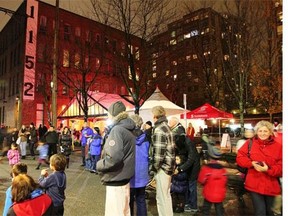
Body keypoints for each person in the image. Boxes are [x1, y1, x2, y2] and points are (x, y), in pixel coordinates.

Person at [96, 101, 135, 216]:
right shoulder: (128, 128)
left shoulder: (117, 130)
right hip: (124, 178)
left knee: (115, 212)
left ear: (113, 114)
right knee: (124, 211)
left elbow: (114, 158)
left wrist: (99, 164)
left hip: (117, 178)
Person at [236, 120, 282, 216]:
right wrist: (251, 163)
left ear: (270, 132)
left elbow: (282, 166)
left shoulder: (279, 146)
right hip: (254, 183)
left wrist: (268, 170)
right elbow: (240, 157)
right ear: (256, 132)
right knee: (260, 212)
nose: (262, 133)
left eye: (265, 131)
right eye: (260, 131)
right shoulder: (250, 143)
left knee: (270, 212)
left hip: (271, 184)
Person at [168, 117, 200, 213]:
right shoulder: (180, 142)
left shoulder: (188, 142)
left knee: (191, 186)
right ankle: (187, 203)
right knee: (187, 186)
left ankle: (193, 206)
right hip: (187, 166)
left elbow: (191, 159)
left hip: (193, 167)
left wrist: (181, 169)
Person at [150, 106, 175, 216]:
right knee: (166, 196)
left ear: (155, 116)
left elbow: (159, 155)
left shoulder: (159, 129)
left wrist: (154, 168)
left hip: (163, 168)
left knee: (161, 198)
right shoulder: (167, 127)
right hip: (169, 167)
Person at [129, 114, 150, 216]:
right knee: (141, 199)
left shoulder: (128, 137)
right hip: (142, 172)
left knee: (129, 200)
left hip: (130, 172)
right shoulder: (146, 137)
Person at [198, 144, 227, 216]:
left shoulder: (206, 169)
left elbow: (201, 180)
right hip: (220, 194)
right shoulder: (223, 170)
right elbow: (225, 181)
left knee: (206, 209)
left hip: (209, 193)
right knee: (219, 209)